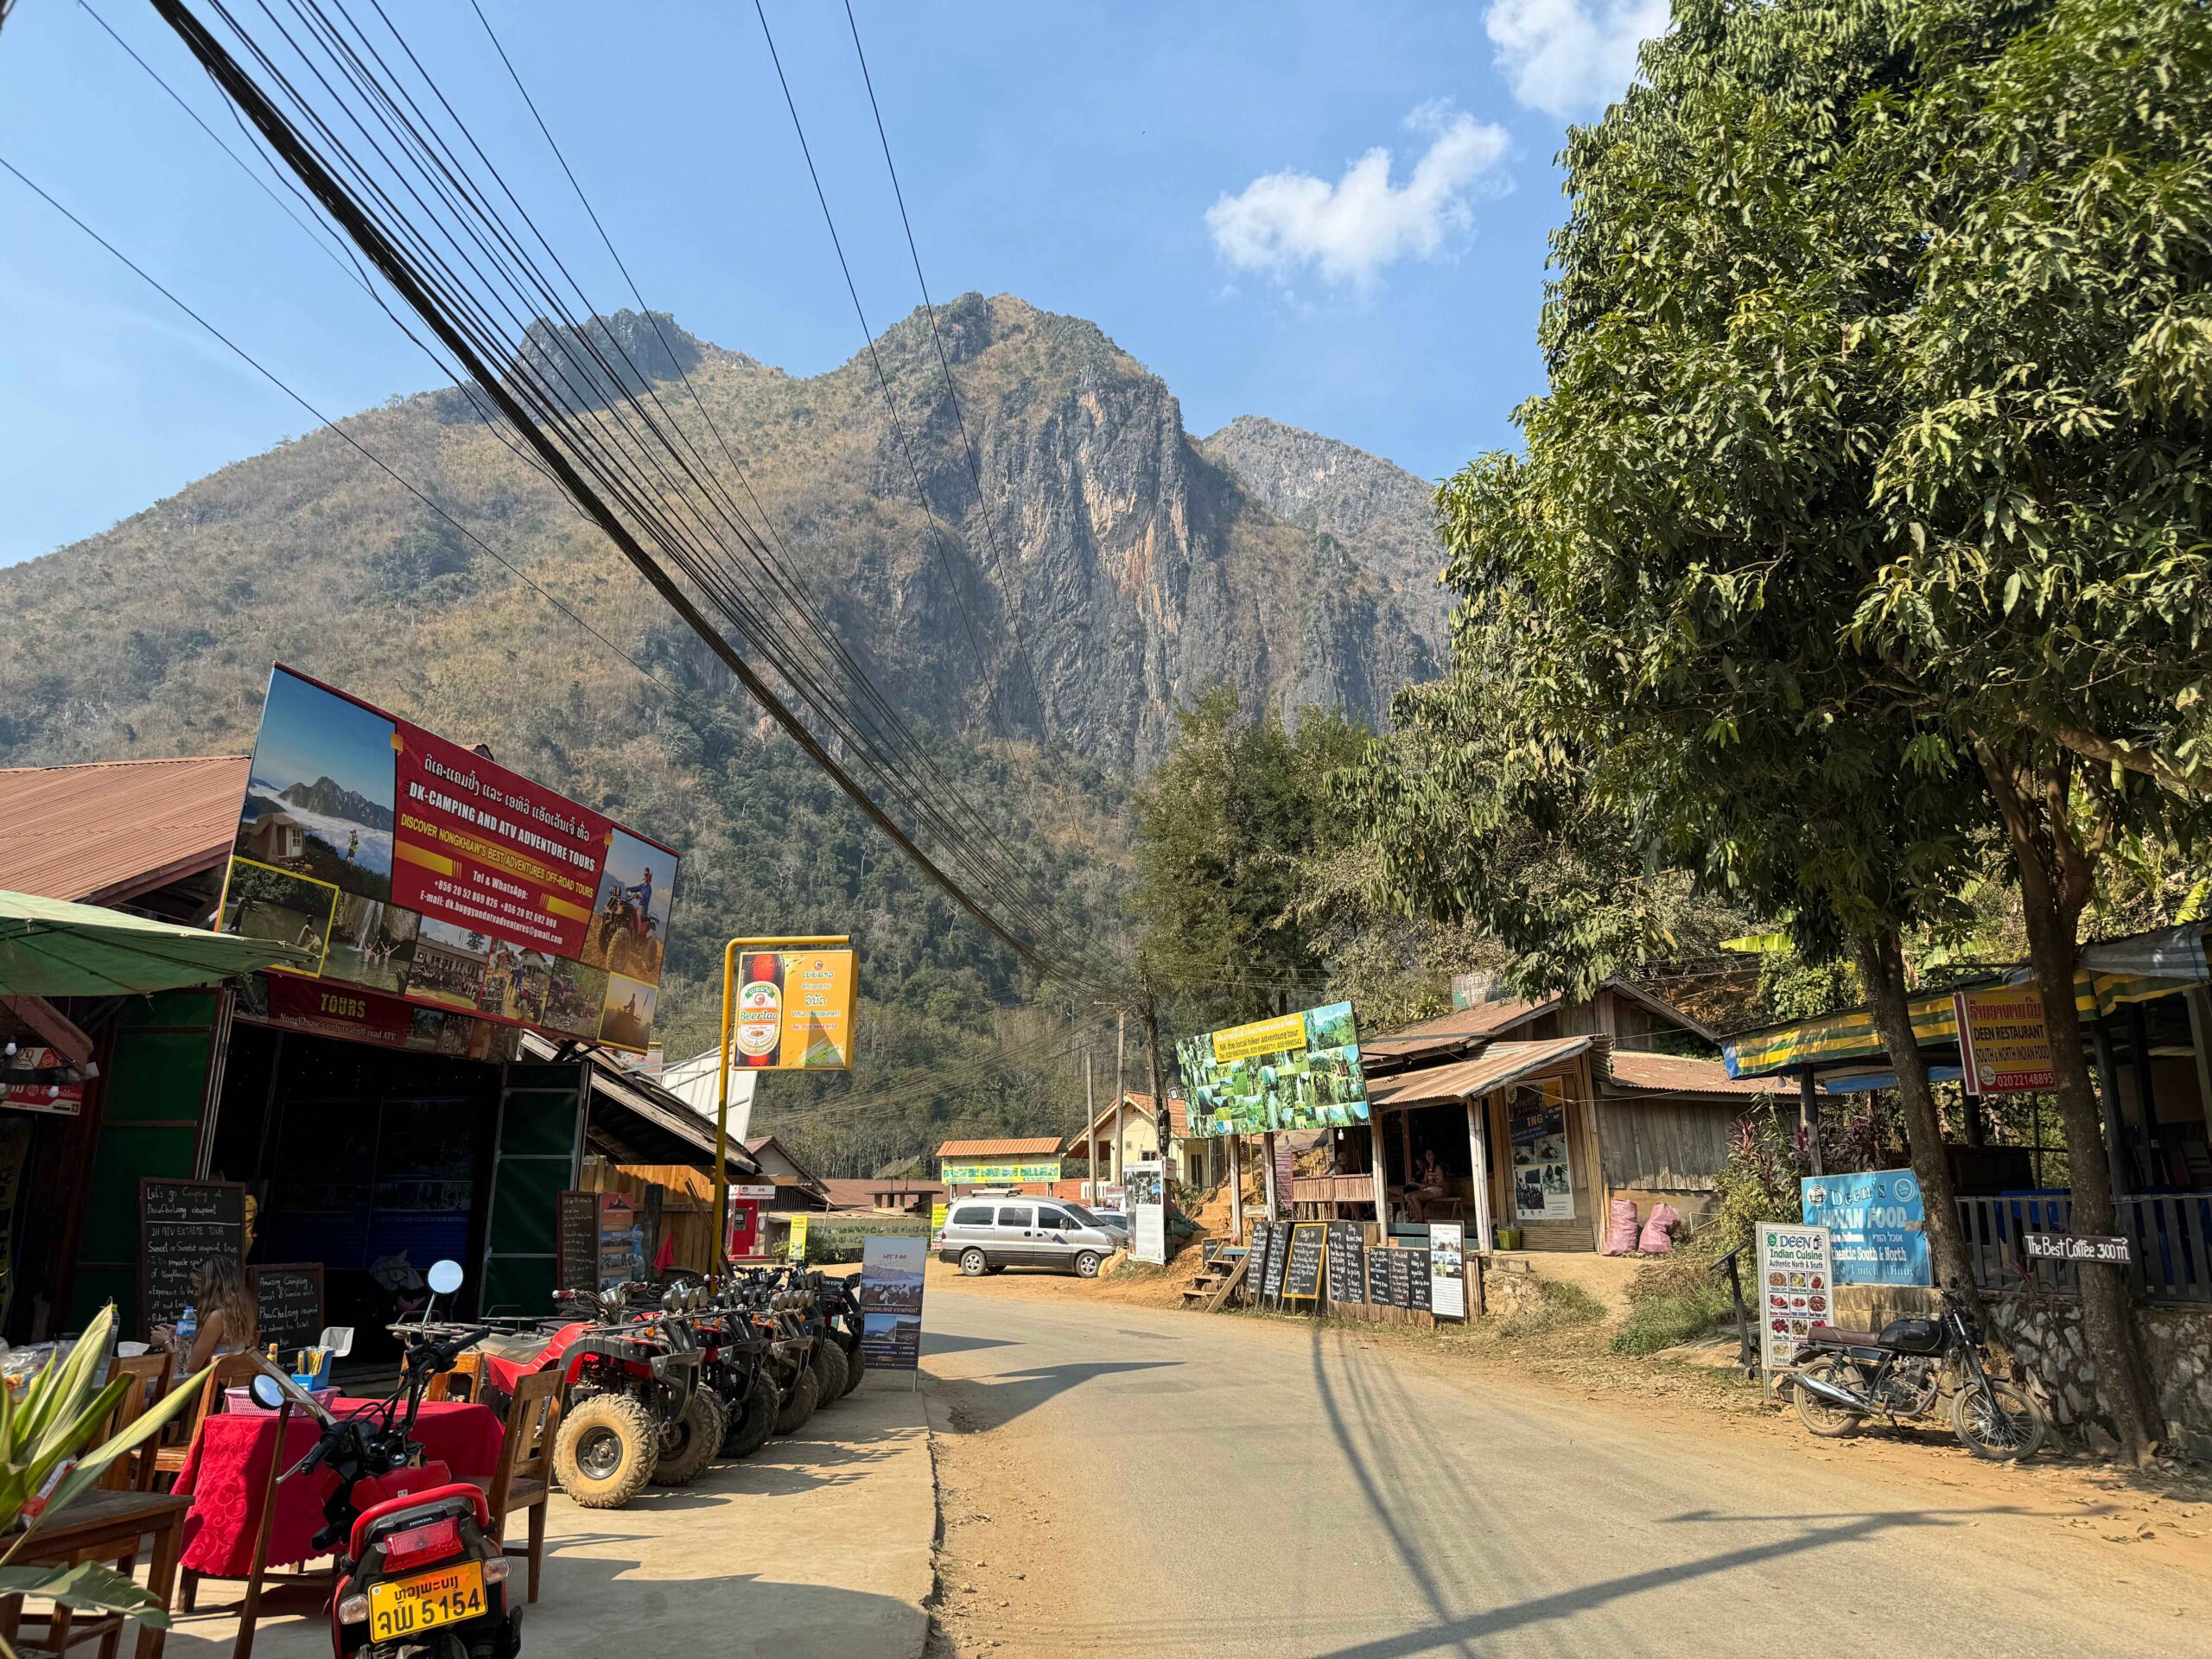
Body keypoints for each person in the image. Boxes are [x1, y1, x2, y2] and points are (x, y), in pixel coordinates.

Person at [150, 1256, 258, 1372]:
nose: (196, 1294)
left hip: (210, 1387)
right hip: (226, 1383)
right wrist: (179, 1336)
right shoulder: (239, 1310)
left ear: (211, 1288)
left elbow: (188, 1368)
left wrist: (165, 1341)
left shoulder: (217, 1316)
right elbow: (218, 1345)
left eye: (198, 1288)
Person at [1408, 1147, 1447, 1222]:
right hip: (1428, 1189)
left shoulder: (1437, 1167)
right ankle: (1417, 1216)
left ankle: (1421, 1219)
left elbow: (1442, 1183)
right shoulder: (1427, 1168)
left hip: (1437, 1190)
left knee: (1414, 1196)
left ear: (1434, 1156)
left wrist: (1430, 1185)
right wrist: (1421, 1183)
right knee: (1407, 1196)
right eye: (1426, 1154)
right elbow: (1426, 1182)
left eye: (1430, 1154)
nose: (1428, 1156)